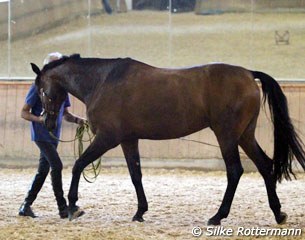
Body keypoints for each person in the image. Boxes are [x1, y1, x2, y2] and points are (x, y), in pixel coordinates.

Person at [19, 52, 86, 219]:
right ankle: (63, 209)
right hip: (41, 135)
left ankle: (26, 205)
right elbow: (24, 113)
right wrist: (40, 119)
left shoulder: (62, 90)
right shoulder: (38, 88)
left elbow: (66, 114)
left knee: (43, 171)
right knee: (56, 166)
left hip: (54, 136)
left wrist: (80, 121)